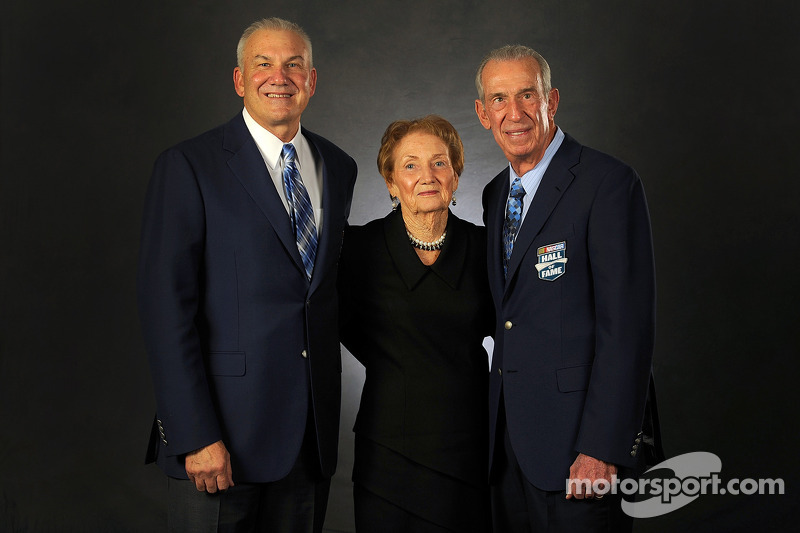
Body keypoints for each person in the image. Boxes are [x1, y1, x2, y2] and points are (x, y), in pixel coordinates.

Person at [137, 17, 357, 532]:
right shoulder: (189, 165)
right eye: (263, 64)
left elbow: (322, 295)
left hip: (309, 441)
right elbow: (165, 310)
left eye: (293, 64)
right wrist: (193, 434)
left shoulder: (338, 167)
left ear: (312, 80)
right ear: (240, 80)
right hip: (219, 444)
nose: (278, 76)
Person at [474, 45, 664, 532]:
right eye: (498, 99)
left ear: (551, 101)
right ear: (481, 113)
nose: (513, 113)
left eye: (527, 95)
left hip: (581, 452)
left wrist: (602, 448)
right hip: (510, 450)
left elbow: (627, 330)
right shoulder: (495, 193)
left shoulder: (607, 183)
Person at [338, 115, 493, 532]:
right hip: (389, 455)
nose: (427, 176)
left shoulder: (486, 249)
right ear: (391, 182)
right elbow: (335, 327)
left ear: (457, 176)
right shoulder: (356, 250)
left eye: (440, 163)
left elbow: (523, 335)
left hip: (472, 450)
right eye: (410, 165)